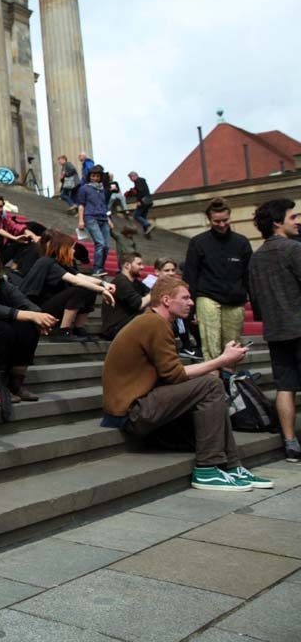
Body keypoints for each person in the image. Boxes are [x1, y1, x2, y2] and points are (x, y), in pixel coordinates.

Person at [101, 275, 270, 492]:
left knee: (209, 382)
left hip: (138, 405)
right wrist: (222, 360)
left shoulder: (152, 321)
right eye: (185, 297)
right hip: (132, 412)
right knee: (210, 384)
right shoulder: (154, 323)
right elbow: (175, 375)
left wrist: (218, 364)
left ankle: (231, 465)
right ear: (166, 300)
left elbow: (171, 374)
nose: (191, 302)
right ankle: (208, 469)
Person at [0, 239, 58, 403]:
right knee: (4, 329)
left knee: (28, 325)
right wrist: (24, 315)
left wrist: (40, 318)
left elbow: (23, 301)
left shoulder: (0, 281)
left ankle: (15, 382)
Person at [248, 199, 301, 462]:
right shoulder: (294, 249)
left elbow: (256, 301)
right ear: (278, 222)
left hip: (276, 330)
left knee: (285, 387)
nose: (299, 221)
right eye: (294, 217)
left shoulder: (256, 258)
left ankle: (290, 443)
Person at [183, 197, 252, 361]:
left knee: (233, 346)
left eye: (225, 220)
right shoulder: (198, 242)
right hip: (207, 296)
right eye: (217, 221)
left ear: (230, 217)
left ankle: (229, 380)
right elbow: (190, 276)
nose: (222, 225)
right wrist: (190, 308)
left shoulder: (241, 242)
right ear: (209, 219)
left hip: (235, 299)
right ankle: (214, 381)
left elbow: (249, 274)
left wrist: (253, 302)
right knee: (211, 346)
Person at [19, 230, 115, 342]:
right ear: (62, 248)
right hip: (35, 310)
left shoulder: (60, 263)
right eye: (71, 248)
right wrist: (102, 290)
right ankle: (64, 331)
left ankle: (78, 328)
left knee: (90, 287)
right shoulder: (46, 262)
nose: (74, 251)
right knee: (81, 289)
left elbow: (81, 276)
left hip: (47, 307)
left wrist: (104, 283)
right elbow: (76, 281)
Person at [144, 258, 201, 359]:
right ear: (157, 272)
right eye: (166, 270)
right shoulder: (148, 284)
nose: (171, 273)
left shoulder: (176, 286)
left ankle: (189, 346)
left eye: (173, 270)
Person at [0, 193, 39, 265]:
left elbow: (16, 227)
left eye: (1, 207)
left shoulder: (3, 219)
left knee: (25, 241)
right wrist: (14, 238)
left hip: (0, 254)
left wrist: (34, 237)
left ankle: (15, 267)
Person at [101, 252, 150, 340]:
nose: (142, 267)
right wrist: (157, 290)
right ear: (127, 265)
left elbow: (149, 294)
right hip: (115, 328)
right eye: (139, 264)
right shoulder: (121, 282)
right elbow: (139, 304)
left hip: (128, 325)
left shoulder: (136, 283)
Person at [75, 164, 112, 276]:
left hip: (103, 218)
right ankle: (96, 269)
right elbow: (81, 205)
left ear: (100, 177)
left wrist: (109, 219)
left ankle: (101, 267)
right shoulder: (84, 188)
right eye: (93, 176)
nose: (95, 178)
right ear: (90, 176)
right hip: (90, 217)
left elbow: (104, 206)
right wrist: (81, 220)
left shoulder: (102, 190)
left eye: (97, 176)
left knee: (106, 245)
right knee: (100, 243)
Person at [128, 171, 155, 235]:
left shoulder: (138, 181)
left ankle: (148, 224)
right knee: (143, 217)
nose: (130, 180)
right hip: (148, 201)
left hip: (143, 201)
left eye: (130, 178)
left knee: (136, 215)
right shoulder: (142, 181)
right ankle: (146, 231)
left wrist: (139, 201)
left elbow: (140, 191)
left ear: (134, 176)